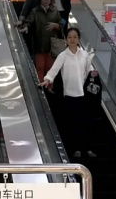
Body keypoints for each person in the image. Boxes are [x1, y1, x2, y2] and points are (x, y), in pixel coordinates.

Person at [38, 27, 97, 158]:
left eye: (75, 37)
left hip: (84, 94)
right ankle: (76, 149)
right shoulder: (63, 56)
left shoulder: (84, 54)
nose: (72, 39)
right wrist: (47, 79)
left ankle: (88, 148)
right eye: (69, 37)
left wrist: (93, 74)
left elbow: (89, 69)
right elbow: (54, 70)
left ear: (79, 39)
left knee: (86, 122)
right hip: (70, 94)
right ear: (65, 39)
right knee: (73, 122)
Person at [22, 0, 61, 81]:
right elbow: (28, 21)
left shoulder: (55, 11)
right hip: (39, 43)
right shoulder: (35, 11)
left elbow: (61, 23)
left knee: (50, 68)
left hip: (52, 44)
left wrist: (56, 25)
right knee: (40, 67)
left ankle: (49, 86)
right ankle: (40, 86)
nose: (46, 0)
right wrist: (26, 27)